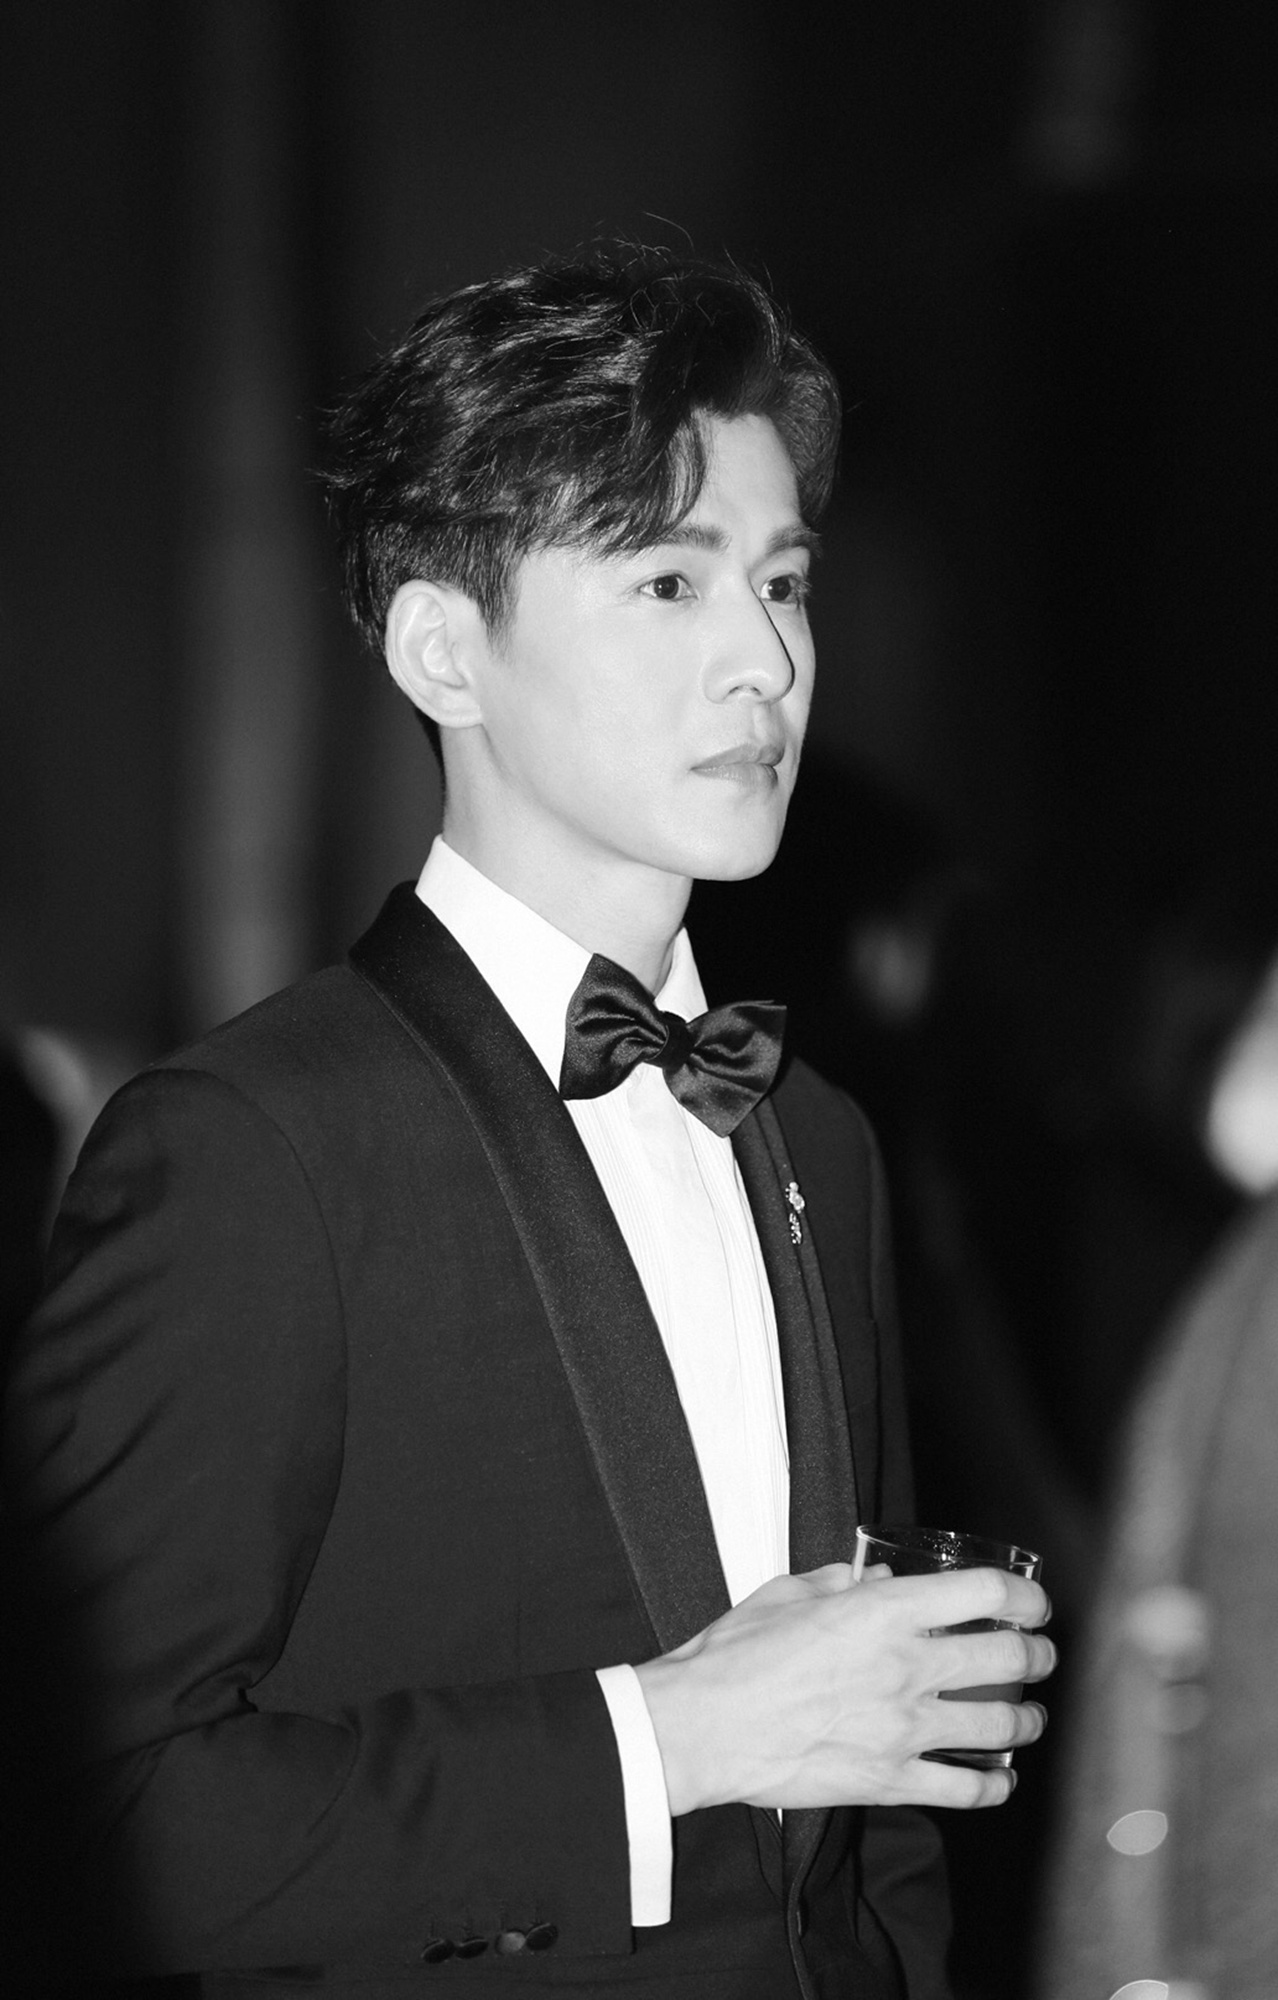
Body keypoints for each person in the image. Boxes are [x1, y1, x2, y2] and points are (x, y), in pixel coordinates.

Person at [3, 246, 1053, 2000]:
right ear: (445, 650)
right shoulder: (253, 1149)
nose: (763, 661)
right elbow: (86, 1822)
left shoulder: (818, 1139)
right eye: (668, 581)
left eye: (783, 583)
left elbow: (872, 1855)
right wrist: (668, 1737)